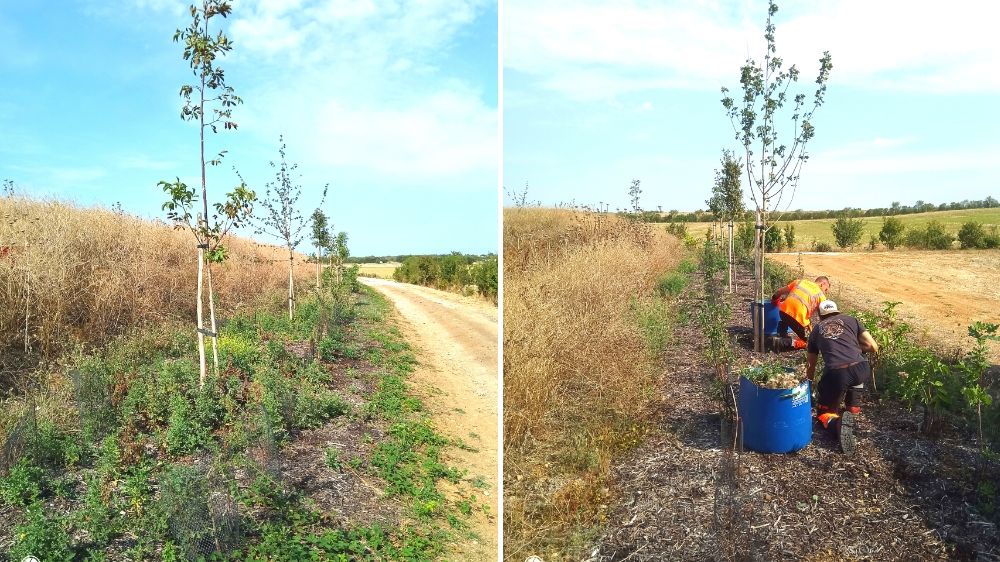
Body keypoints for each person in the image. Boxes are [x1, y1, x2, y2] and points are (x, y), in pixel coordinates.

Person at [806, 300, 879, 455]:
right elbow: (873, 346)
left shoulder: (816, 330)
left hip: (837, 374)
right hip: (861, 367)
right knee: (854, 374)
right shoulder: (852, 320)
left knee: (823, 413)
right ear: (838, 311)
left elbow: (811, 365)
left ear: (820, 315)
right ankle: (852, 407)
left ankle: (836, 423)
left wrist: (809, 385)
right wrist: (854, 349)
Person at [771, 275, 830, 349]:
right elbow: (825, 316)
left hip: (783, 312)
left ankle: (781, 334)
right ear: (822, 284)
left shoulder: (800, 282)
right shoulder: (821, 295)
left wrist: (774, 300)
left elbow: (779, 292)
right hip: (798, 319)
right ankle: (783, 342)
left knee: (786, 318)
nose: (825, 292)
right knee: (812, 342)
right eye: (826, 289)